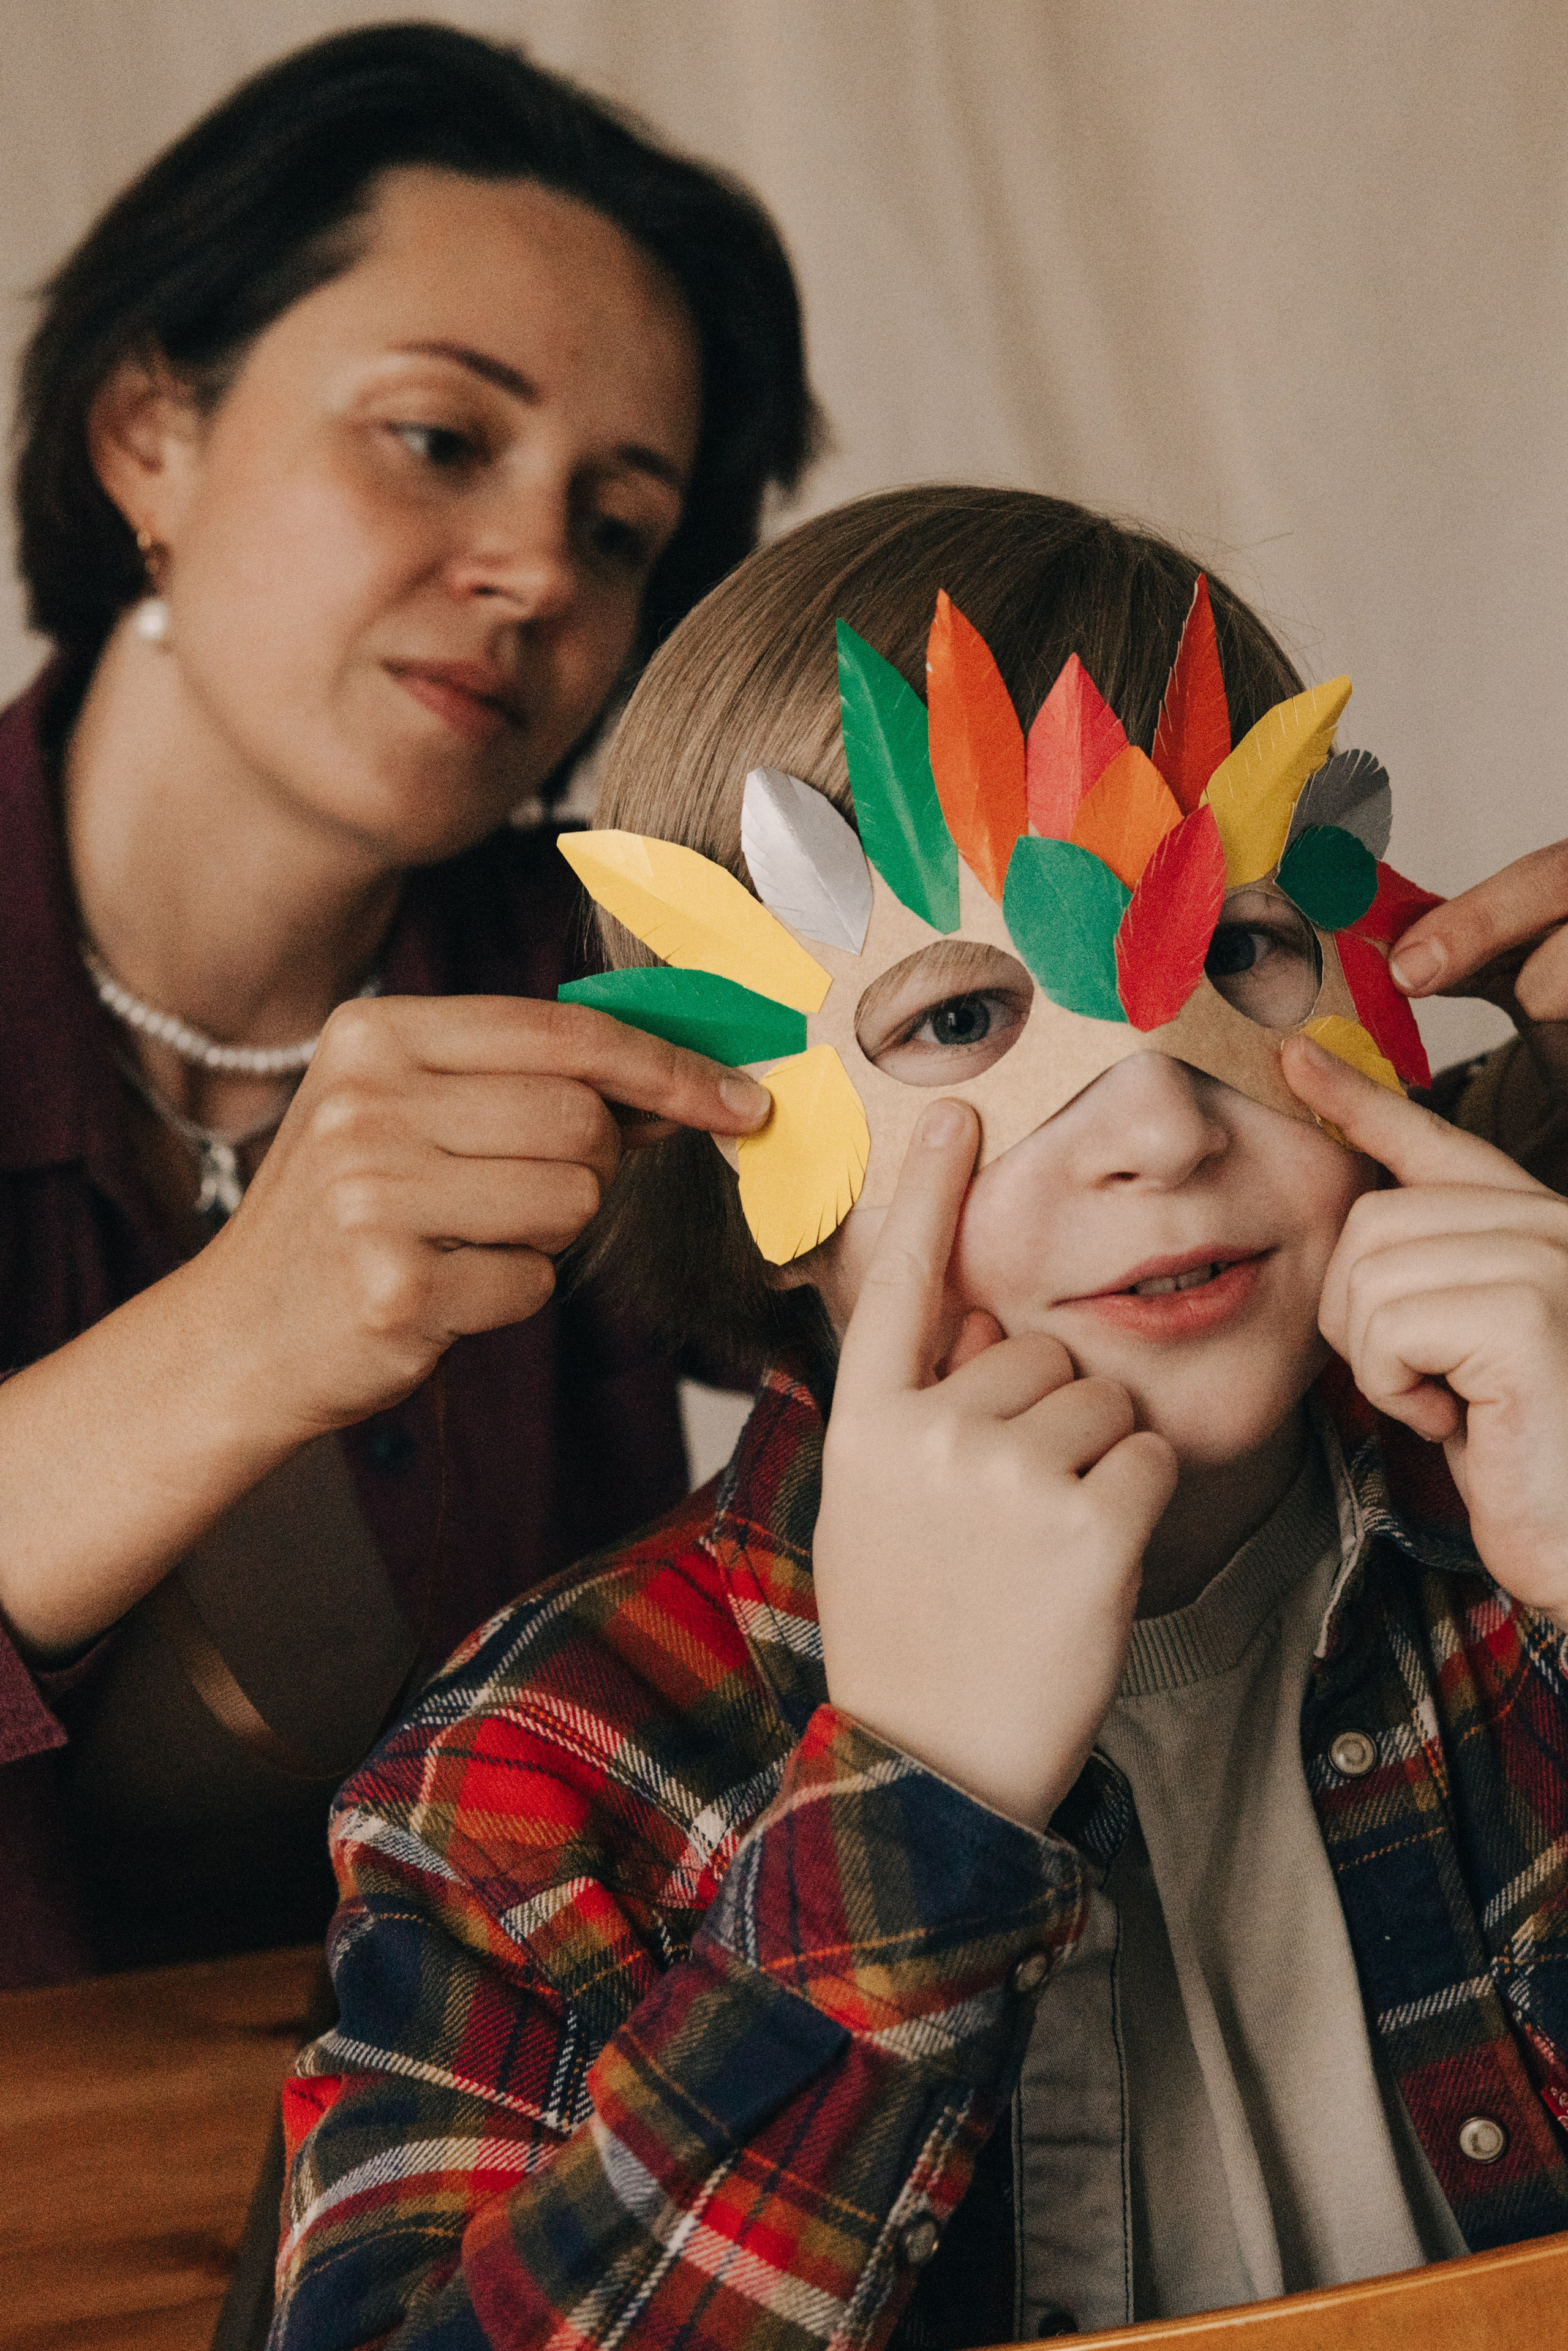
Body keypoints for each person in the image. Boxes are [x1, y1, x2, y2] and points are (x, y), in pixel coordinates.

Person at [270, 487, 1568, 2348]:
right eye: (960, 1021)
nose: (1161, 1126)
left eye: (1240, 954)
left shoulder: (1517, 1561)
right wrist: (912, 1801)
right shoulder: (540, 1774)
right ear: (731, 1138)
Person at [0, 20, 812, 1986]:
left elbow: (1086, 1222)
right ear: (148, 439)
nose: (535, 566)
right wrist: (238, 1340)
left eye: (619, 531)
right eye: (439, 439)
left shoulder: (644, 974)